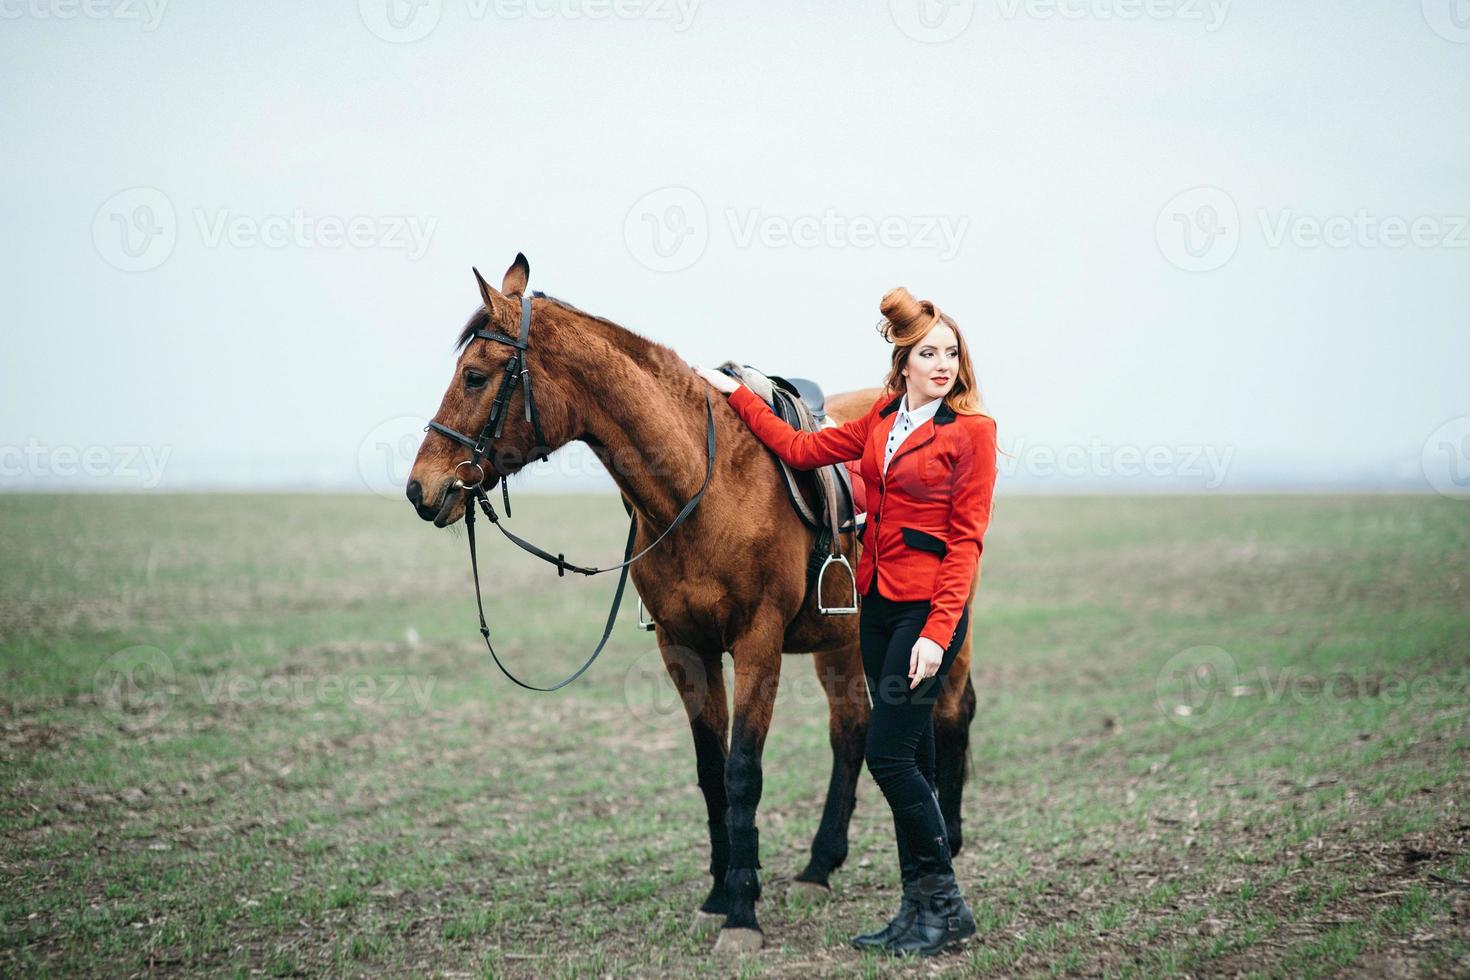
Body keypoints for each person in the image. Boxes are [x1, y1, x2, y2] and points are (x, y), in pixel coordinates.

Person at [692, 286, 998, 956]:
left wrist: (939, 634)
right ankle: (919, 908)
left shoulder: (972, 433)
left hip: (924, 615)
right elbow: (798, 449)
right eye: (928, 354)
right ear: (904, 363)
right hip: (875, 608)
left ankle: (944, 905)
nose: (941, 364)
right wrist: (738, 392)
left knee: (888, 757)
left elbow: (967, 543)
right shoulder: (882, 423)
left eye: (950, 352)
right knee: (901, 755)